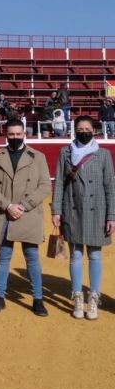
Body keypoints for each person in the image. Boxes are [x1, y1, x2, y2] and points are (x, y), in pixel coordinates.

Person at [0, 119, 51, 316]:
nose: (14, 138)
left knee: (32, 258)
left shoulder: (38, 157)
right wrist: (8, 205)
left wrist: (23, 205)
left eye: (18, 134)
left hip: (27, 213)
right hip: (5, 213)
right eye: (11, 134)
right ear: (6, 135)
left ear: (24, 134)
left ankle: (38, 299)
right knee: (3, 257)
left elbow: (45, 186)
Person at [52, 115, 115, 320]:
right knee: (76, 255)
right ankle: (77, 297)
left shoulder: (104, 154)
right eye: (80, 128)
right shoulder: (65, 152)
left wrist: (111, 215)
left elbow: (109, 187)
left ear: (94, 130)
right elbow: (60, 183)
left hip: (97, 210)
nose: (84, 131)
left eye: (87, 128)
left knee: (95, 255)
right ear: (74, 130)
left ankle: (94, 297)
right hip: (73, 209)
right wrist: (56, 211)